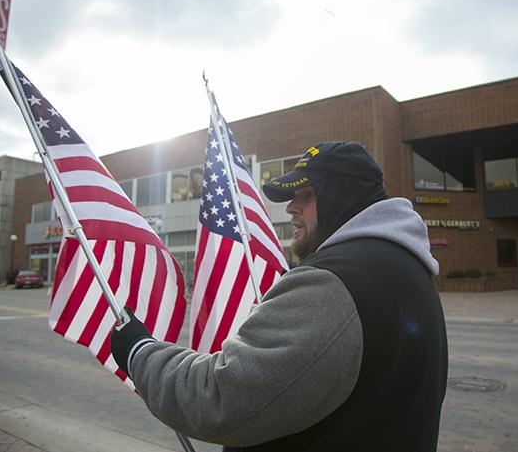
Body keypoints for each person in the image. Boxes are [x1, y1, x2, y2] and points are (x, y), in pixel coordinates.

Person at [112, 141, 448, 451]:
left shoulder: (335, 282)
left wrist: (140, 350)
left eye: (306, 194)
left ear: (343, 195)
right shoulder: (406, 267)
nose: (291, 207)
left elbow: (222, 399)